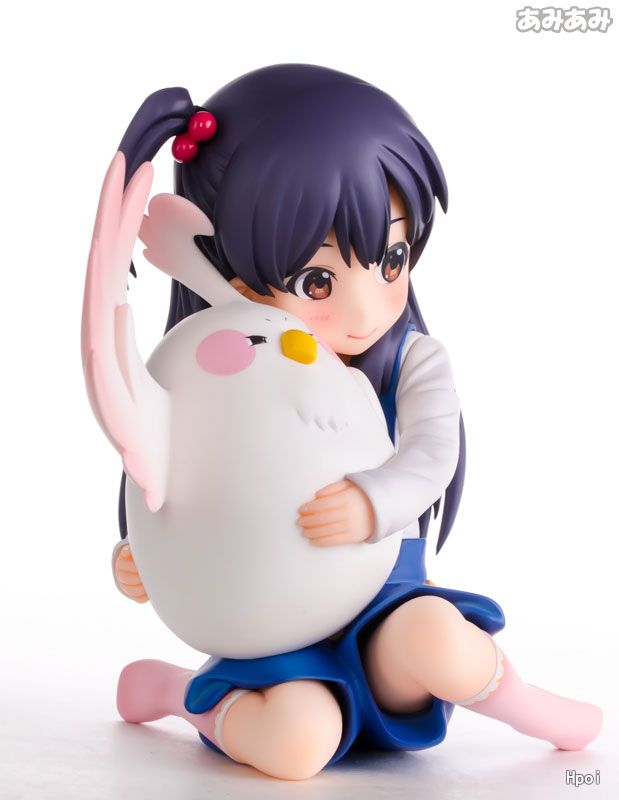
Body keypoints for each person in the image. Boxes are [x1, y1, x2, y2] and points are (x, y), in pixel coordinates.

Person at [107, 64, 602, 781]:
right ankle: (183, 695)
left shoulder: (411, 360)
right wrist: (147, 553)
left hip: (384, 604)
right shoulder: (216, 370)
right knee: (296, 746)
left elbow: (432, 452)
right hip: (271, 626)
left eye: (391, 259)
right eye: (317, 282)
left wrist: (375, 501)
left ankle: (528, 706)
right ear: (234, 280)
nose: (366, 309)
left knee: (440, 640)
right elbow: (176, 467)